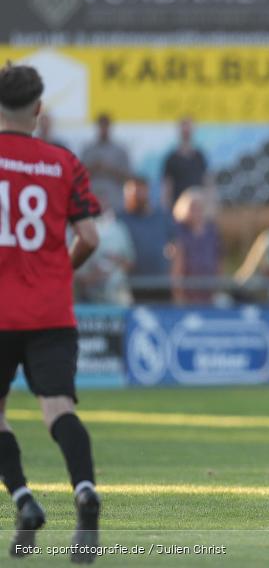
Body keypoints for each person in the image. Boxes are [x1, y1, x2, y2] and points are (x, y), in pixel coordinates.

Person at [0, 62, 102, 562]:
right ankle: (84, 490)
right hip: (51, 310)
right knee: (58, 408)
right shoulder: (64, 162)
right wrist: (59, 269)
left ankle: (24, 500)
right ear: (38, 109)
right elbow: (89, 238)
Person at [119, 176, 176, 302]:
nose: (137, 196)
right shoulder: (120, 219)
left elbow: (176, 242)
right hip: (132, 287)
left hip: (161, 284)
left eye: (141, 191)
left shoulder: (162, 216)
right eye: (133, 194)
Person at [171, 187, 222, 304]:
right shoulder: (179, 232)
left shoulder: (212, 231)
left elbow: (219, 261)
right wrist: (178, 296)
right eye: (192, 208)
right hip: (187, 295)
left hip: (209, 293)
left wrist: (218, 288)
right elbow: (177, 268)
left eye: (199, 207)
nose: (197, 212)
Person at [80, 113, 132, 211]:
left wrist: (109, 169)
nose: (103, 129)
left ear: (110, 127)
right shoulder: (88, 150)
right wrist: (94, 168)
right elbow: (79, 177)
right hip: (91, 202)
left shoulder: (120, 151)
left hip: (115, 203)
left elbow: (128, 178)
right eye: (101, 126)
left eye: (106, 126)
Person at [162, 117, 209, 210]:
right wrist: (167, 207)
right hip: (177, 209)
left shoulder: (199, 157)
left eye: (189, 129)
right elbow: (167, 186)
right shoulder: (171, 158)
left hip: (197, 209)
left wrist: (208, 204)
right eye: (184, 129)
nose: (187, 132)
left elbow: (206, 182)